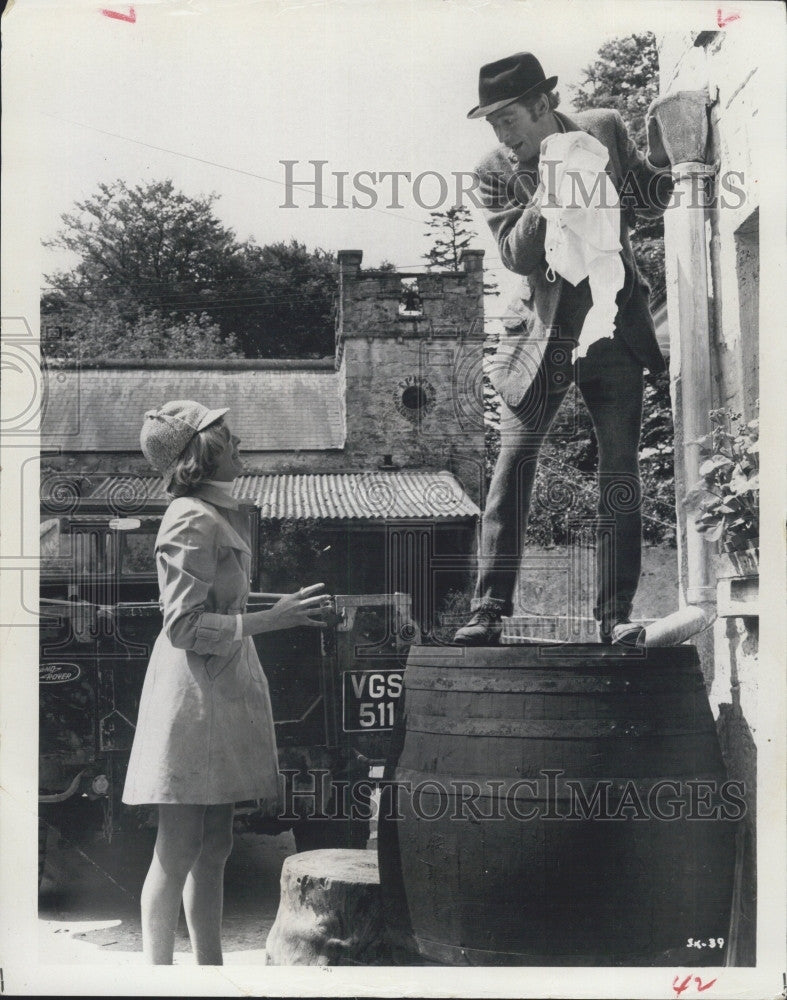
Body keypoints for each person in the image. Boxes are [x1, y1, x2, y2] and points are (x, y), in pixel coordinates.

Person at [454, 51, 674, 646]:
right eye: (493, 125)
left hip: (614, 328)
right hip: (541, 337)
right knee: (513, 463)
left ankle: (616, 618)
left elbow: (651, 200)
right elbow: (516, 256)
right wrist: (546, 192)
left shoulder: (602, 128)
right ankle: (488, 611)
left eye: (509, 121)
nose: (503, 137)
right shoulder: (493, 170)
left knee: (619, 471)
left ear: (544, 105)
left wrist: (664, 141)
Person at [123, 400, 329, 964]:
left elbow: (220, 603)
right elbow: (183, 625)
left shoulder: (213, 514)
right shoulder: (190, 517)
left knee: (215, 845)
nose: (240, 446)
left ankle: (209, 969)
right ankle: (158, 976)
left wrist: (278, 609)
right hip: (193, 696)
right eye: (230, 438)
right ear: (206, 452)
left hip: (215, 688)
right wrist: (274, 618)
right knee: (179, 846)